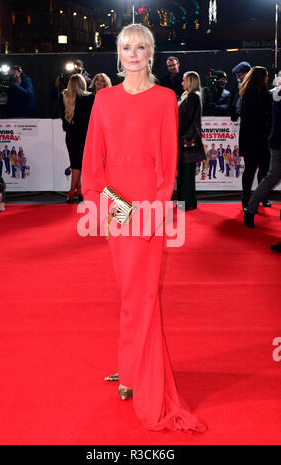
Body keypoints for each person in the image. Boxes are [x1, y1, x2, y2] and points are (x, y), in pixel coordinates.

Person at [81, 23, 206, 433]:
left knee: (144, 292)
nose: (133, 53)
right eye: (126, 47)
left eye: (140, 47)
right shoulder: (103, 99)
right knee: (130, 293)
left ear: (151, 52)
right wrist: (116, 211)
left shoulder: (166, 98)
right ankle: (131, 368)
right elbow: (92, 164)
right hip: (118, 209)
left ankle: (138, 376)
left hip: (148, 210)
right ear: (118, 53)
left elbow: (167, 166)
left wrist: (147, 215)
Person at [244, 82, 281, 228]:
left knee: (269, 179)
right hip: (276, 142)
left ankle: (250, 211)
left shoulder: (276, 94)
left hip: (275, 142)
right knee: (269, 179)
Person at [239, 66, 272, 211]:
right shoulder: (249, 93)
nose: (268, 78)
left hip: (262, 138)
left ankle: (261, 197)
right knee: (251, 170)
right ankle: (246, 198)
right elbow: (251, 118)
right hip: (252, 138)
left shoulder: (264, 92)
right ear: (261, 77)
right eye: (266, 75)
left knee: (263, 170)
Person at [59, 73, 94, 202]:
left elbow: (62, 116)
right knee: (80, 164)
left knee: (75, 163)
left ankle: (77, 190)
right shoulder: (90, 97)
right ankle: (72, 190)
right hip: (85, 135)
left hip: (71, 135)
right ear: (82, 83)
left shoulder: (63, 96)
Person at [177, 71, 205, 210]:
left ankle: (187, 202)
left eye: (184, 80)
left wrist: (175, 132)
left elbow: (186, 119)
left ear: (190, 81)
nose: (182, 83)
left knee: (186, 172)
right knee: (184, 171)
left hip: (187, 139)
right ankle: (185, 201)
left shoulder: (193, 97)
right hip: (186, 138)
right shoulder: (189, 96)